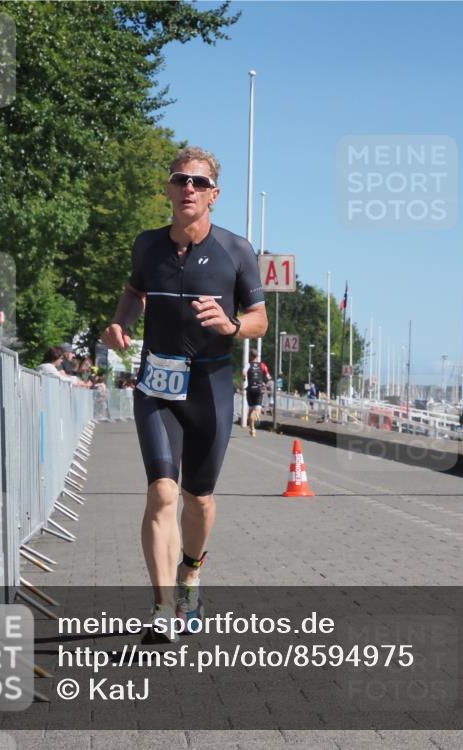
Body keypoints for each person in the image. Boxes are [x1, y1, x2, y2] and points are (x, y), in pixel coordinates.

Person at [101, 146, 267, 643]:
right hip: (156, 385)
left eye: (198, 182)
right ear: (169, 190)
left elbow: (260, 319)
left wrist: (233, 325)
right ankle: (162, 607)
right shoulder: (147, 245)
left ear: (214, 194)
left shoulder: (237, 250)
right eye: (180, 180)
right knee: (161, 492)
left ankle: (191, 573)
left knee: (198, 499)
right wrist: (119, 323)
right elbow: (134, 292)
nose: (188, 189)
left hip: (211, 387)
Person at [242, 352, 272, 436]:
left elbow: (244, 372)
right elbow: (268, 377)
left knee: (251, 409)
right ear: (257, 356)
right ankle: (255, 419)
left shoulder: (248, 365)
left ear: (250, 356)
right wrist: (265, 383)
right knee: (256, 410)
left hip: (250, 389)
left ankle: (252, 428)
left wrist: (245, 378)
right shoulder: (262, 365)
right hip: (259, 389)